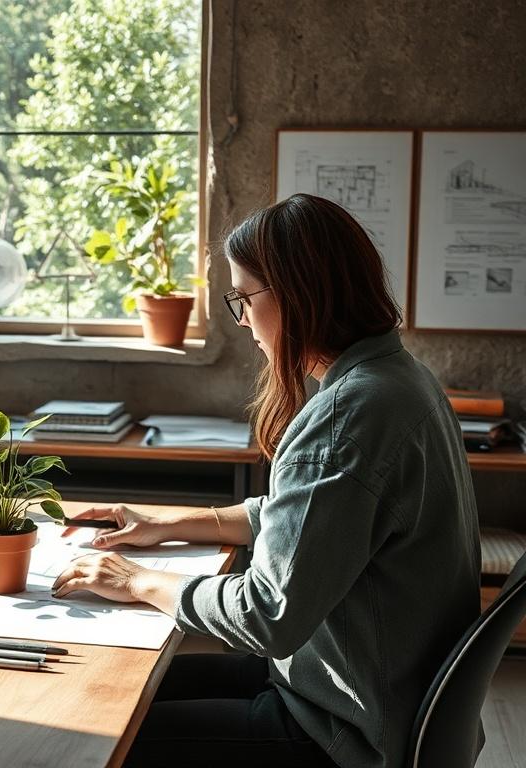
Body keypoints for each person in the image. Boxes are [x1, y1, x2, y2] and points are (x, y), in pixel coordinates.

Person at [51, 193, 481, 768]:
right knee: (117, 681)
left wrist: (137, 580)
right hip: (374, 692)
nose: (244, 319)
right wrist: (177, 523)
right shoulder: (400, 381)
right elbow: (319, 518)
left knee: (92, 727)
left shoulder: (344, 419)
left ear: (298, 295)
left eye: (244, 298)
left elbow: (266, 614)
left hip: (342, 730)